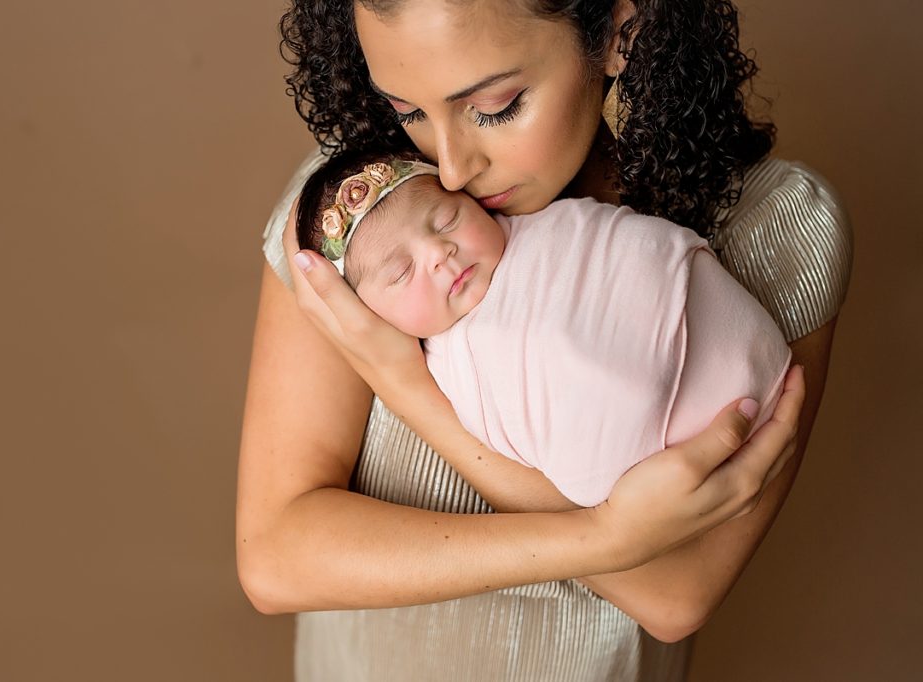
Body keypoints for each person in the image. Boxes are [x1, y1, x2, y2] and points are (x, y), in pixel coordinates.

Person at [237, 1, 853, 680]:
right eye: (408, 111)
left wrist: (410, 390)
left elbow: (676, 594)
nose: (448, 168)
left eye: (495, 107)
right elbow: (275, 557)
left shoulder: (773, 228)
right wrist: (603, 536)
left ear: (622, 32)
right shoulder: (360, 223)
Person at [294, 150, 791, 507]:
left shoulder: (549, 225)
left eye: (446, 220)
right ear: (364, 316)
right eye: (401, 273)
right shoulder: (449, 367)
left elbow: (632, 249)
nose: (438, 254)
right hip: (682, 459)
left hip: (736, 342)